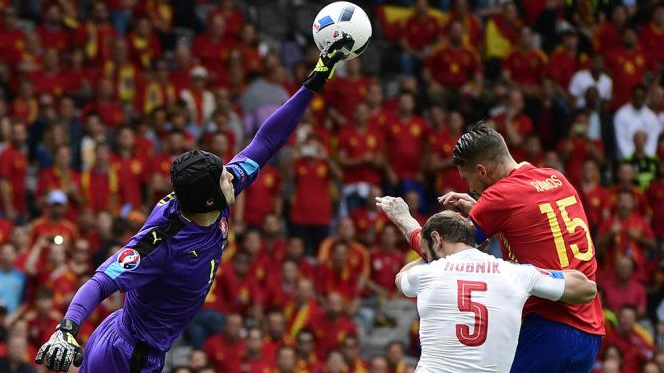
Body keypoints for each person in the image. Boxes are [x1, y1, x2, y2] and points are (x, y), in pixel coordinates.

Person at [34, 34, 354, 372]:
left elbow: (267, 139)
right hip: (130, 356)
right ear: (208, 198)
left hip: (126, 337)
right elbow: (102, 280)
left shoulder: (216, 193)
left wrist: (315, 79)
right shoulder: (162, 242)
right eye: (223, 177)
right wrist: (66, 329)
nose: (232, 175)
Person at [439, 123, 604, 372]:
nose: (470, 188)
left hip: (549, 328)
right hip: (589, 332)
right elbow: (530, 225)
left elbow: (445, 250)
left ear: (482, 170)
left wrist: (404, 220)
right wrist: (480, 211)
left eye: (467, 179)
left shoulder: (498, 197)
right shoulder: (555, 177)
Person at [376, 196, 597, 372]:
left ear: (436, 238)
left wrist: (426, 255)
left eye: (426, 252)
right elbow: (586, 289)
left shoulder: (427, 274)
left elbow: (400, 279)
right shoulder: (515, 273)